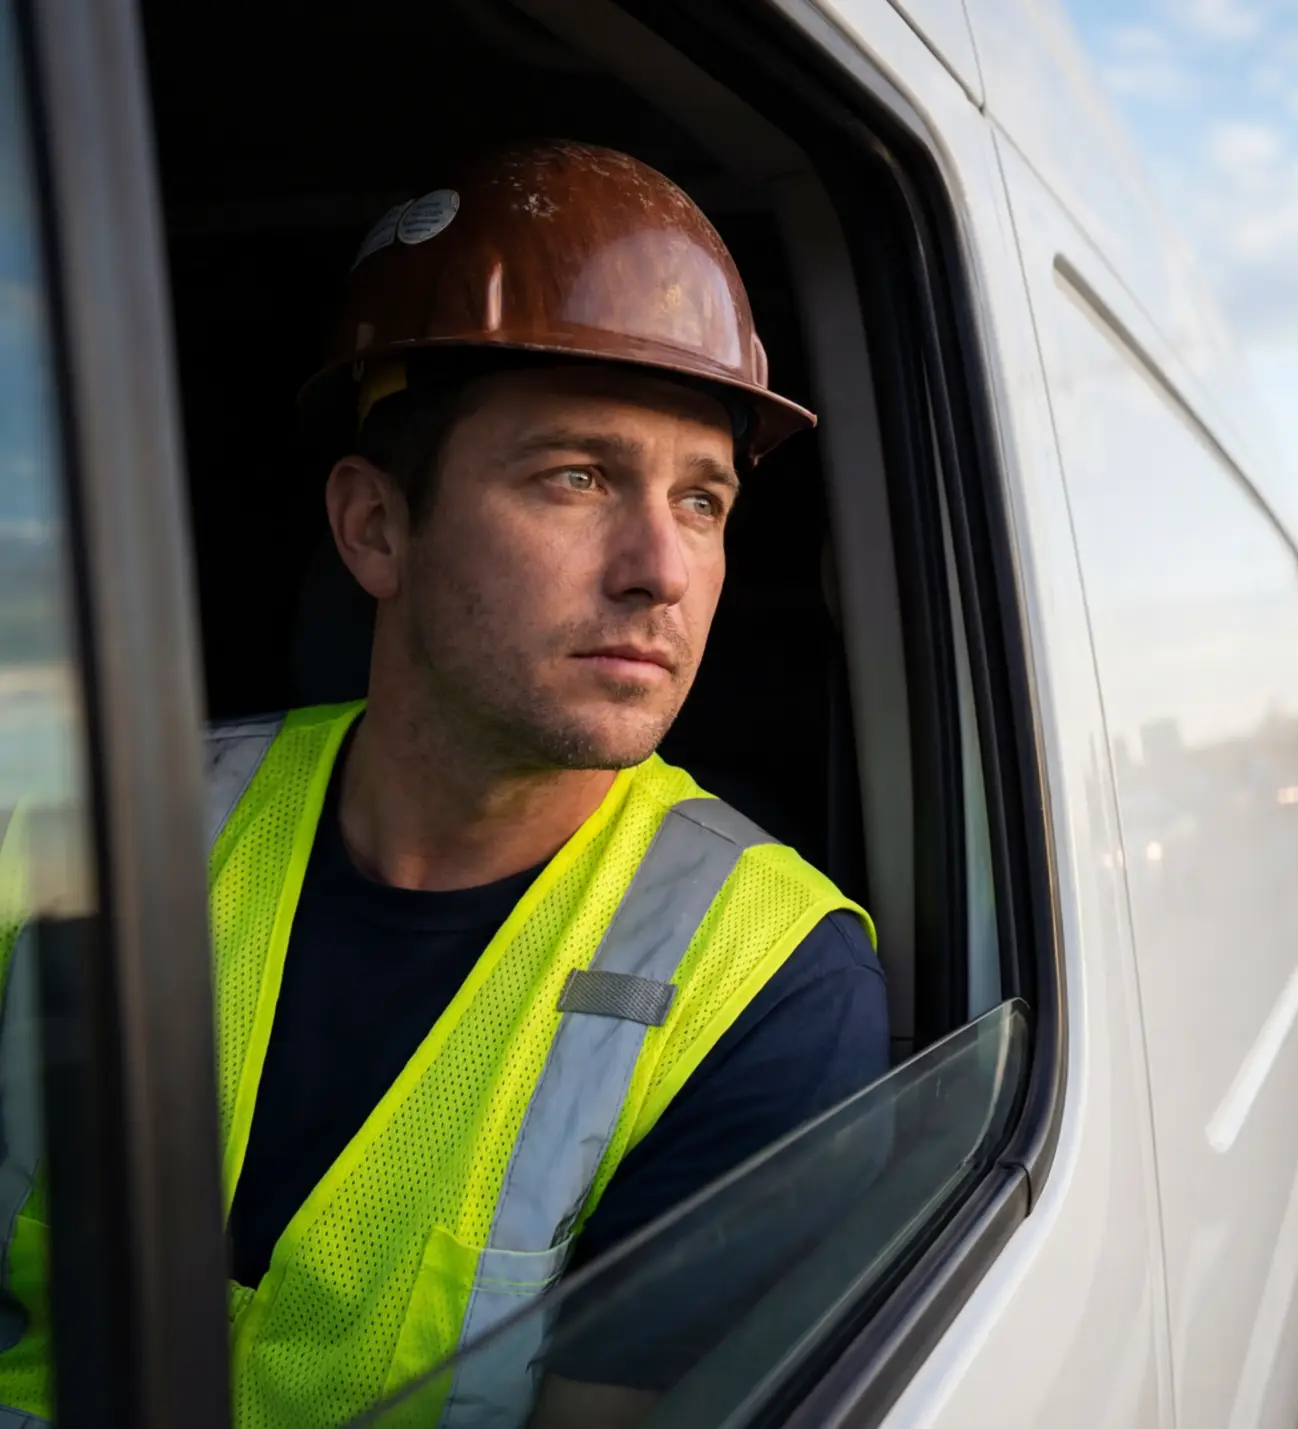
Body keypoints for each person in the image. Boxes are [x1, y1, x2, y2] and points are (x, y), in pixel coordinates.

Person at [0, 140, 888, 1428]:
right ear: (374, 528)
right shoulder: (88, 822)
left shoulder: (767, 984)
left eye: (704, 500)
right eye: (578, 476)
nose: (662, 571)